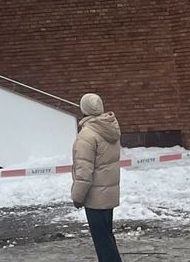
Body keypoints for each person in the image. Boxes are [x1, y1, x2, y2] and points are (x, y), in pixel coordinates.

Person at [71, 92, 122, 262]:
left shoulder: (87, 135)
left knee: (102, 242)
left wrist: (77, 197)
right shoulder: (110, 128)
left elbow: (84, 171)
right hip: (109, 194)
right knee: (107, 237)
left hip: (95, 197)